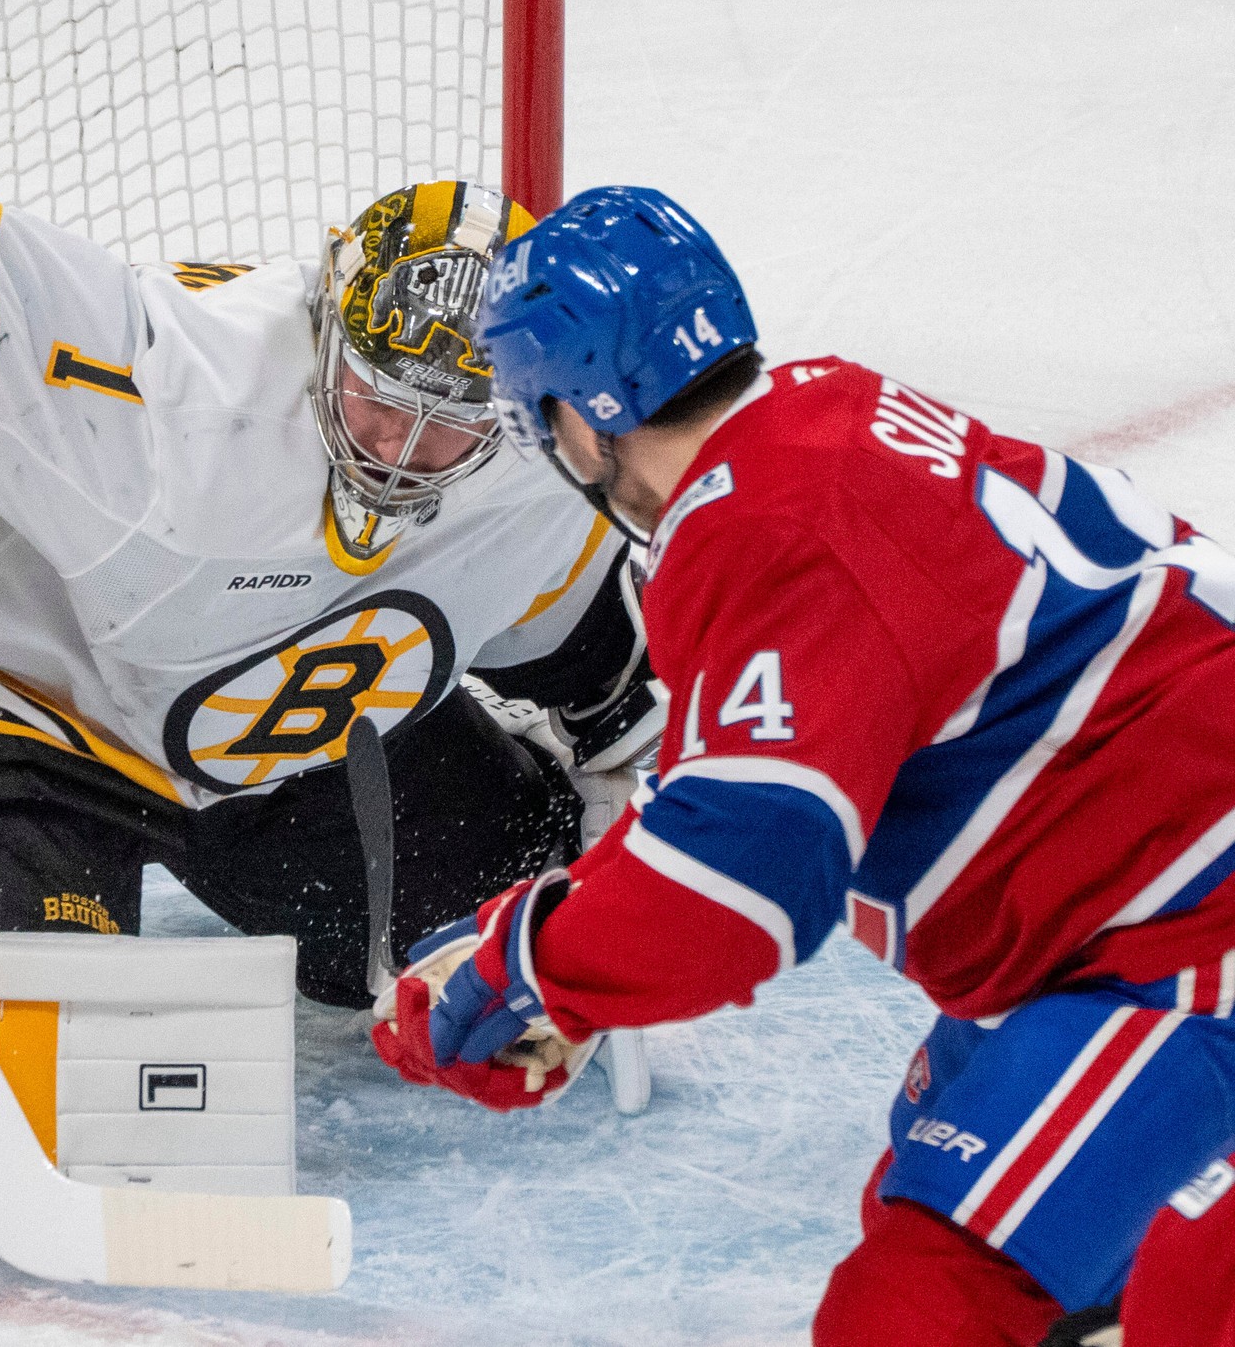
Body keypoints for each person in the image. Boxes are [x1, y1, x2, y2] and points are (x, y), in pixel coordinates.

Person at [374, 186, 1235, 1343]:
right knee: (963, 1190)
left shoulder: (765, 528)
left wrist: (530, 969)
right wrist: (567, 937)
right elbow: (717, 784)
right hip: (1121, 908)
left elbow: (745, 880)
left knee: (927, 1300)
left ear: (580, 418)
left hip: (1184, 931)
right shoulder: (811, 416)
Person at [0, 178, 662, 1008]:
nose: (398, 451)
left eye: (447, 424)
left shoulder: (540, 478)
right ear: (325, 319)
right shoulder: (174, 393)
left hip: (276, 752)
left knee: (513, 923)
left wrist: (622, 875)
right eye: (380, 397)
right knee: (50, 1059)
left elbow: (611, 683)